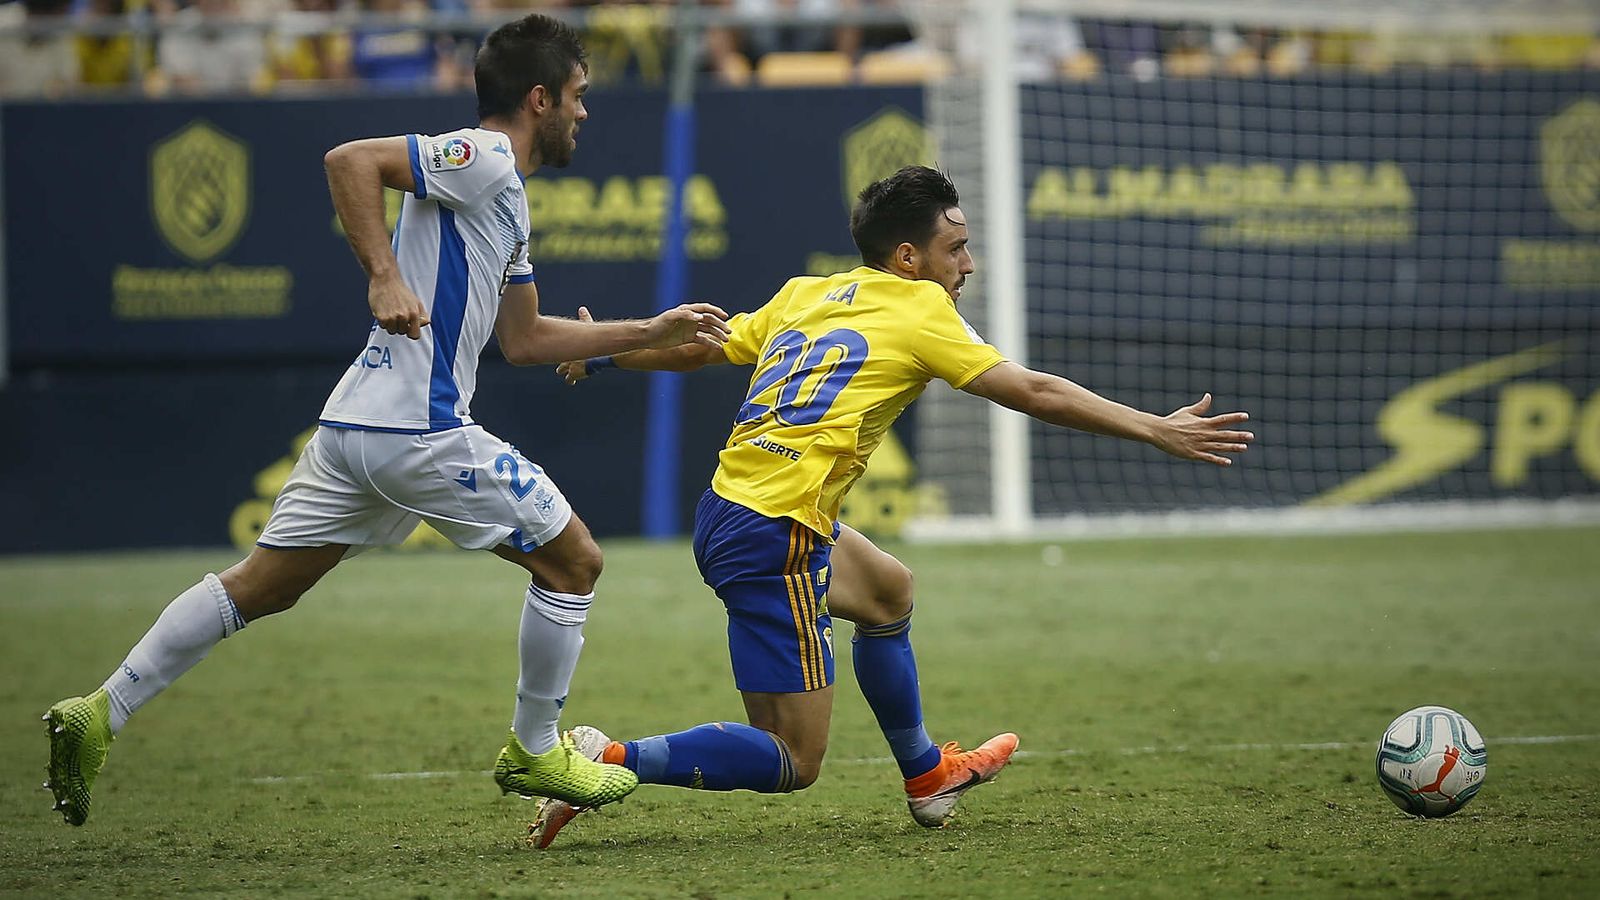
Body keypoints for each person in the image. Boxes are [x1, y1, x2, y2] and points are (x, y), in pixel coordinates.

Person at [42, 12, 731, 828]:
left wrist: (644, 333)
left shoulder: (504, 197)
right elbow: (351, 161)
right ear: (540, 98)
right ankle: (537, 746)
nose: (585, 112)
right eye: (578, 95)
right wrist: (381, 275)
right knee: (575, 561)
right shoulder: (488, 153)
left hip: (355, 429)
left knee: (256, 587)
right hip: (420, 430)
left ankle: (99, 711)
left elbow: (526, 337)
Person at [529, 165, 1255, 847]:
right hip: (774, 533)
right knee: (792, 758)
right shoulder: (921, 310)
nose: (966, 264)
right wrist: (1153, 426)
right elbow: (1032, 391)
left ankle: (927, 776)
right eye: (956, 247)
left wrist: (605, 353)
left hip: (741, 509)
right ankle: (604, 757)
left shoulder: (805, 292)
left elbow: (704, 348)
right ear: (908, 256)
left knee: (886, 592)